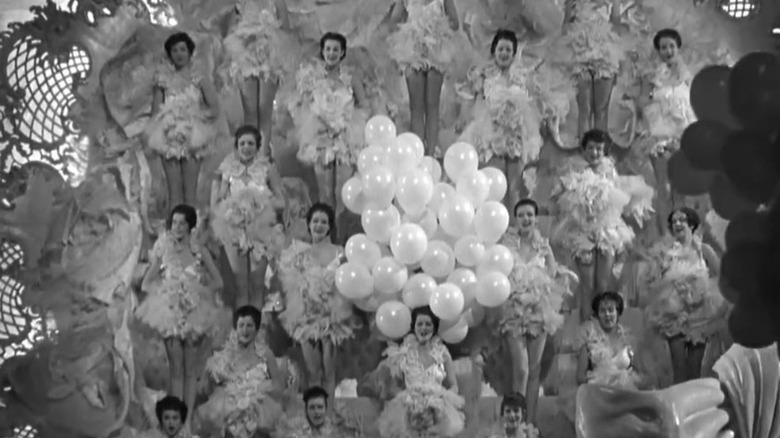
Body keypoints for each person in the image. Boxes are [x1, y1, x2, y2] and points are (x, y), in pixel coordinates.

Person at [550, 129, 654, 321]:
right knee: (587, 284)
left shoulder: (609, 170)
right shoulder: (573, 168)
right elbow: (561, 197)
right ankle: (586, 330)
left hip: (606, 231)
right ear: (583, 149)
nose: (595, 153)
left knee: (604, 284)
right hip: (582, 232)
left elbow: (615, 199)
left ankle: (602, 330)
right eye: (591, 148)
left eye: (599, 149)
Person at [137, 204, 226, 425]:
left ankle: (186, 425)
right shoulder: (163, 249)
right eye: (174, 222)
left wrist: (195, 292)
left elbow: (218, 282)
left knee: (191, 371)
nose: (177, 227)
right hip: (171, 315)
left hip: (194, 313)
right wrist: (169, 293)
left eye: (182, 223)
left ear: (190, 226)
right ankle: (174, 424)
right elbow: (147, 283)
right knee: (176, 370)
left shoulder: (199, 251)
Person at [497, 198, 575, 424]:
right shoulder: (507, 245)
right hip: (513, 309)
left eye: (530, 214)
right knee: (520, 369)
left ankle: (530, 424)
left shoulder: (544, 246)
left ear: (536, 218)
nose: (526, 219)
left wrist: (555, 270)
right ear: (515, 219)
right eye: (521, 215)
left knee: (534, 370)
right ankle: (515, 423)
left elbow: (552, 277)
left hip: (539, 312)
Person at [276, 203, 356, 397]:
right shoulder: (299, 253)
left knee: (330, 373)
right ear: (309, 225)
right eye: (315, 221)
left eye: (323, 221)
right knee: (313, 372)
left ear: (329, 226)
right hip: (307, 318)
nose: (319, 225)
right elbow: (291, 285)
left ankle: (329, 417)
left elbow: (348, 283)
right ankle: (315, 419)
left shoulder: (341, 252)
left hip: (333, 318)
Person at [456, 30, 542, 206]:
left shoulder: (521, 77)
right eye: (501, 49)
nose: (504, 53)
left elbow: (530, 103)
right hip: (491, 133)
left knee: (515, 186)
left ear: (514, 54)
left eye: (508, 50)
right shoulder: (484, 75)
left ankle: (514, 228)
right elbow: (469, 97)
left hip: (516, 134)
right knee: (495, 183)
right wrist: (462, 118)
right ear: (494, 51)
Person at [288, 33, 367, 215]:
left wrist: (346, 122)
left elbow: (363, 105)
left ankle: (341, 238)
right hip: (321, 138)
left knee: (343, 192)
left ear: (342, 53)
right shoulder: (311, 78)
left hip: (345, 139)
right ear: (322, 51)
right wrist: (319, 124)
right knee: (325, 192)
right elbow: (301, 105)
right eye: (328, 49)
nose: (331, 53)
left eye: (336, 49)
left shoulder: (351, 78)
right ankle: (326, 237)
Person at [644, 208, 725, 383]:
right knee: (679, 370)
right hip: (674, 318)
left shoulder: (704, 250)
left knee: (695, 370)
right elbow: (653, 282)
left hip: (699, 317)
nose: (677, 224)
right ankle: (680, 408)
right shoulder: (667, 253)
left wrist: (704, 290)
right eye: (674, 221)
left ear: (692, 224)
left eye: (682, 219)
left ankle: (694, 408)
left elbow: (722, 275)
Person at [211, 125, 285, 308]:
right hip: (235, 231)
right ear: (236, 146)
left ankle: (258, 333)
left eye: (250, 143)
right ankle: (242, 332)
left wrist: (258, 205)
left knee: (257, 285)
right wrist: (233, 209)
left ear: (257, 146)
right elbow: (218, 202)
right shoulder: (227, 170)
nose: (246, 147)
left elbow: (280, 201)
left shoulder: (267, 169)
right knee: (241, 286)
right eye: (242, 143)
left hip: (261, 232)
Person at [146, 32, 220, 209]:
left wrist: (194, 116)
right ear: (169, 54)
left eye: (182, 49)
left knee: (190, 194)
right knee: (174, 194)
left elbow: (214, 108)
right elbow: (155, 112)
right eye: (175, 50)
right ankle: (173, 233)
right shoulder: (162, 80)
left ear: (189, 52)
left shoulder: (199, 79)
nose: (179, 54)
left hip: (192, 138)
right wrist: (168, 119)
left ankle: (191, 233)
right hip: (169, 138)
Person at [636, 29, 697, 236]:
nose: (668, 50)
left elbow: (693, 107)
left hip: (682, 137)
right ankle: (665, 238)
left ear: (678, 48)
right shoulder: (650, 75)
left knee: (680, 191)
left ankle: (681, 236)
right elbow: (642, 104)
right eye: (663, 47)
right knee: (664, 189)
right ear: (658, 51)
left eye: (671, 46)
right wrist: (658, 104)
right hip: (659, 136)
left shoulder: (687, 76)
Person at [376, 306, 465, 438]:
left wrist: (441, 397)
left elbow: (454, 385)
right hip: (409, 413)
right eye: (420, 324)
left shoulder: (443, 353)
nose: (424, 328)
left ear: (434, 327)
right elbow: (394, 387)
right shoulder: (403, 353)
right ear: (414, 327)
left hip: (438, 413)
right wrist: (410, 398)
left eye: (428, 324)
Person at [197, 305, 284, 438]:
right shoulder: (226, 355)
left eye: (249, 325)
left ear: (256, 328)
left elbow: (278, 386)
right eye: (241, 325)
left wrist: (258, 391)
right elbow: (208, 388)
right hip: (229, 409)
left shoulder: (266, 354)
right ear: (235, 328)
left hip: (258, 410)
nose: (245, 330)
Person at [388, 0, 460, 156]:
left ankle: (431, 152)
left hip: (436, 52)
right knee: (416, 107)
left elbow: (455, 23)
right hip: (414, 52)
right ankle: (418, 151)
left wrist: (438, 27)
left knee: (432, 105)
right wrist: (411, 31)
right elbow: (394, 20)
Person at [224, 0, 296, 153]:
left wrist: (268, 31)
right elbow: (231, 31)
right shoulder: (240, 3)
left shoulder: (277, 2)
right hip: (246, 55)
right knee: (250, 109)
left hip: (269, 56)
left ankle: (263, 155)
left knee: (264, 107)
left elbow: (286, 30)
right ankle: (249, 155)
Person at [561, 0, 624, 140]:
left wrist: (612, 47)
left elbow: (617, 27)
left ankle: (601, 155)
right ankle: (584, 155)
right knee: (585, 109)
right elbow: (565, 27)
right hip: (579, 52)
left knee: (601, 109)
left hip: (605, 55)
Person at [576, 292, 641, 389]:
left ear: (618, 313)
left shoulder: (628, 339)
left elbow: (639, 371)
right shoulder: (589, 339)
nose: (607, 314)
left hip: (626, 394)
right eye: (602, 311)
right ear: (597, 315)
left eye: (611, 310)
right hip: (598, 395)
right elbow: (580, 377)